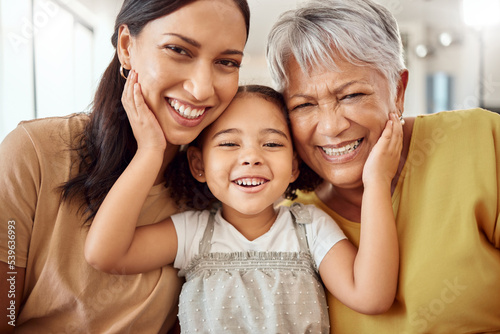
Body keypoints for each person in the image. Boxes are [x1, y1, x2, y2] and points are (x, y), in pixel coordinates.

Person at [0, 0, 250, 332]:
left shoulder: (221, 188)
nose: (202, 88)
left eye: (226, 61)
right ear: (126, 46)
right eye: (179, 50)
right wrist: (149, 153)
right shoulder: (34, 150)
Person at [84, 84, 403, 333]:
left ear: (294, 166)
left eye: (272, 143)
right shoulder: (193, 233)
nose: (251, 157)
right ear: (198, 164)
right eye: (229, 143)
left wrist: (376, 180)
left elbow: (371, 296)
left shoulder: (309, 228)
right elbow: (105, 253)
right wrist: (150, 152)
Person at [267, 0, 500, 332]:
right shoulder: (287, 223)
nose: (331, 127)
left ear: (398, 91)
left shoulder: (478, 141)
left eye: (350, 96)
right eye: (304, 104)